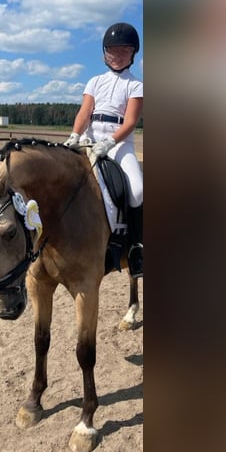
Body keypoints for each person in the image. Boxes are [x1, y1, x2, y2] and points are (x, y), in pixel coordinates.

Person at [64, 22, 144, 277]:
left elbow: (130, 121)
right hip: (89, 138)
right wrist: (75, 135)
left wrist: (110, 142)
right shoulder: (95, 81)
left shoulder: (136, 85)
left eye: (124, 51)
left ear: (133, 54)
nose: (117, 56)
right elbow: (84, 112)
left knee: (138, 190)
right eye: (112, 51)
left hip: (119, 143)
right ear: (104, 53)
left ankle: (136, 248)